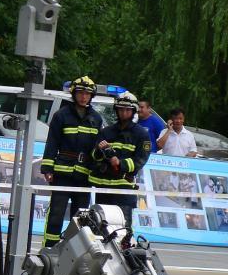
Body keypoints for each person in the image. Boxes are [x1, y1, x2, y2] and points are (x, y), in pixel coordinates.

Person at [40, 76, 102, 247]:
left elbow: (96, 148)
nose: (83, 97)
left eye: (87, 94)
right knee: (56, 213)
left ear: (91, 96)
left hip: (84, 175)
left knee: (80, 217)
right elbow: (52, 142)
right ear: (74, 94)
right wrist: (48, 168)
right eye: (80, 93)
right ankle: (49, 248)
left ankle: (73, 250)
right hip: (62, 172)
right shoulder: (61, 115)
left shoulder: (96, 118)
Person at [89, 91, 151, 248]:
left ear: (133, 111)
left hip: (124, 189)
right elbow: (94, 156)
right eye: (121, 109)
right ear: (116, 110)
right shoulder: (106, 131)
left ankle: (125, 257)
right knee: (101, 227)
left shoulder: (141, 134)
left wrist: (120, 163)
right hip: (104, 187)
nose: (124, 113)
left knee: (123, 230)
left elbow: (140, 160)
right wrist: (100, 151)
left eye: (127, 110)